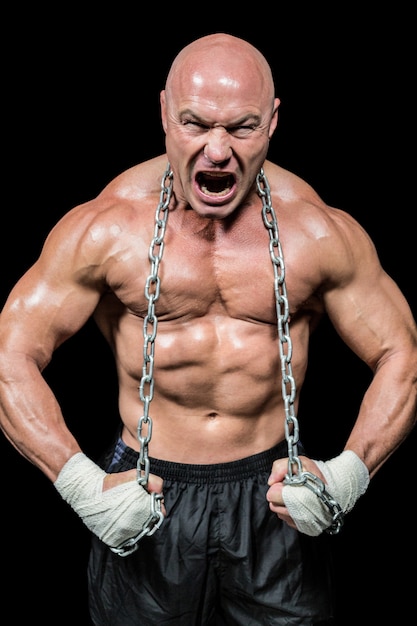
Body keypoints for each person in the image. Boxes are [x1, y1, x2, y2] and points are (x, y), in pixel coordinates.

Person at [0, 32, 416, 626]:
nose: (217, 151)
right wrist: (81, 487)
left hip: (275, 496)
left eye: (242, 128)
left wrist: (348, 475)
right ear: (164, 111)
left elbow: (400, 351)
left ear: (272, 121)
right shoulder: (108, 226)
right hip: (147, 489)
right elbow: (9, 353)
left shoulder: (315, 231)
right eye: (195, 123)